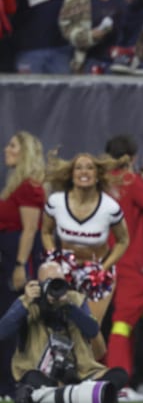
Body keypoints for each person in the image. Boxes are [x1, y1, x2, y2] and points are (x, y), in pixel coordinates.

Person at [41, 151, 130, 360]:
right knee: (60, 325)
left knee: (89, 328)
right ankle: (62, 376)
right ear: (71, 174)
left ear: (97, 175)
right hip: (66, 269)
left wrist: (104, 268)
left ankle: (91, 370)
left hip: (97, 270)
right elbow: (45, 232)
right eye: (79, 167)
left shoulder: (109, 207)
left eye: (89, 167)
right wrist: (54, 259)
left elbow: (123, 241)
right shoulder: (56, 202)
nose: (84, 172)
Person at [0, 261, 128, 401]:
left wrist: (69, 307)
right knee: (33, 379)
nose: (55, 287)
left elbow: (93, 330)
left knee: (120, 374)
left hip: (79, 372)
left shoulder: (75, 300)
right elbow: (2, 331)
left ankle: (64, 394)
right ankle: (86, 394)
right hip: (41, 371)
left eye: (59, 282)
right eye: (49, 282)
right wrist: (24, 304)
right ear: (39, 284)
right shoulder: (28, 302)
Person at [103, 134, 143, 401]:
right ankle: (116, 386)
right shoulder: (131, 180)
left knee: (115, 325)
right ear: (131, 158)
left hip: (105, 261)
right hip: (130, 263)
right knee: (122, 325)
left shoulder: (102, 182)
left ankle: (119, 383)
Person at [0, 131, 45, 399]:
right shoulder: (14, 186)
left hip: (17, 261)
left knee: (12, 321)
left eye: (12, 146)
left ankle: (10, 384)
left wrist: (19, 266)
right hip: (6, 258)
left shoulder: (30, 187)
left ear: (24, 152)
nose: (6, 149)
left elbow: (30, 231)